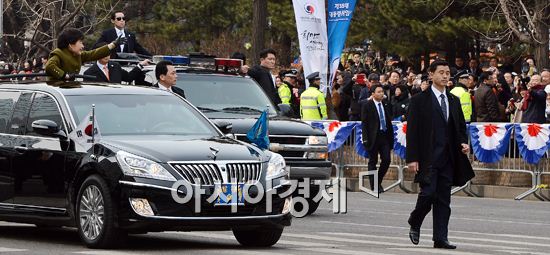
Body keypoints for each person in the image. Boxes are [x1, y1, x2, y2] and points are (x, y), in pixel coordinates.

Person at [406, 60, 474, 250]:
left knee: (444, 199)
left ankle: (440, 238)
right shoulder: (420, 100)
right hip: (428, 158)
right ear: (431, 74)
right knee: (428, 194)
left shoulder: (453, 100)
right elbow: (412, 131)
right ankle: (415, 220)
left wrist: (462, 142)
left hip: (448, 158)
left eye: (447, 72)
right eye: (441, 72)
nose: (445, 76)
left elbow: (460, 126)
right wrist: (412, 158)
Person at [46, 28, 125, 81]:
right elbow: (50, 66)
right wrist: (64, 76)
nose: (82, 46)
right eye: (80, 42)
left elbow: (94, 54)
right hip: (57, 92)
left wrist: (113, 44)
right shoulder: (58, 54)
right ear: (70, 44)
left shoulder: (78, 55)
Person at [361, 84, 394, 194]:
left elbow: (389, 120)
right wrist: (365, 139)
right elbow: (364, 123)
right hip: (373, 137)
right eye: (379, 92)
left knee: (386, 160)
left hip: (384, 136)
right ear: (373, 94)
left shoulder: (385, 104)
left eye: (382, 92)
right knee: (373, 161)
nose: (381, 94)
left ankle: (377, 181)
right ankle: (374, 186)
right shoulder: (367, 105)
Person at [84, 42, 152, 85]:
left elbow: (128, 77)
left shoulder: (116, 66)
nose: (107, 56)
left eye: (108, 53)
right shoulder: (89, 73)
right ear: (97, 54)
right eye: (103, 54)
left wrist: (140, 65)